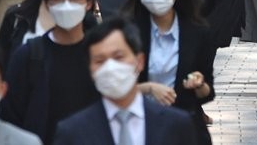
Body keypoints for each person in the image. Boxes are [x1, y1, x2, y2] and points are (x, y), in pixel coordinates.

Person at [0, 0, 101, 143]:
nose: (66, 5)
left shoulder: (101, 56)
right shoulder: (28, 55)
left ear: (89, 3)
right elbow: (9, 117)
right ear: (47, 3)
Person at [54, 18, 197, 145]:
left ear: (139, 61)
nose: (110, 67)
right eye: (100, 61)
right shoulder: (71, 131)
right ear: (90, 69)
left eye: (118, 57)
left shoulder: (176, 125)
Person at [125, 0, 216, 144]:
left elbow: (207, 93)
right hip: (137, 127)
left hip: (184, 129)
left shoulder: (197, 33)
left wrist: (199, 84)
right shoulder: (126, 33)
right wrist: (148, 88)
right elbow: (112, 90)